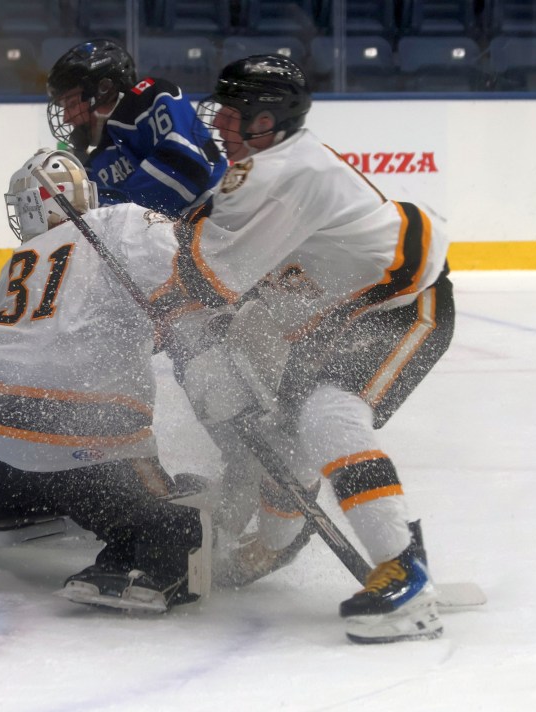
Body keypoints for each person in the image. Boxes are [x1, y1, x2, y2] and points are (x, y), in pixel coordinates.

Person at [165, 55, 454, 643]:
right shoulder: (263, 167)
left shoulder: (283, 172)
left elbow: (206, 281)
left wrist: (161, 295)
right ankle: (273, 548)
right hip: (337, 319)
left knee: (329, 417)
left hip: (400, 305)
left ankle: (406, 574)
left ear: (267, 121)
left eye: (234, 114)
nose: (220, 123)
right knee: (287, 441)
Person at [0, 148, 210, 613]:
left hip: (2, 453)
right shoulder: (121, 223)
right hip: (87, 453)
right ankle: (161, 547)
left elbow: (44, 339)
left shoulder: (20, 262)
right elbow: (201, 270)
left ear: (31, 206)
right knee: (151, 509)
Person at [46, 39, 226, 219]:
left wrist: (121, 209)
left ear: (104, 89)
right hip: (186, 230)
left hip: (221, 216)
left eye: (71, 104)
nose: (66, 118)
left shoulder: (149, 97)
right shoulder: (97, 163)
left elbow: (188, 167)